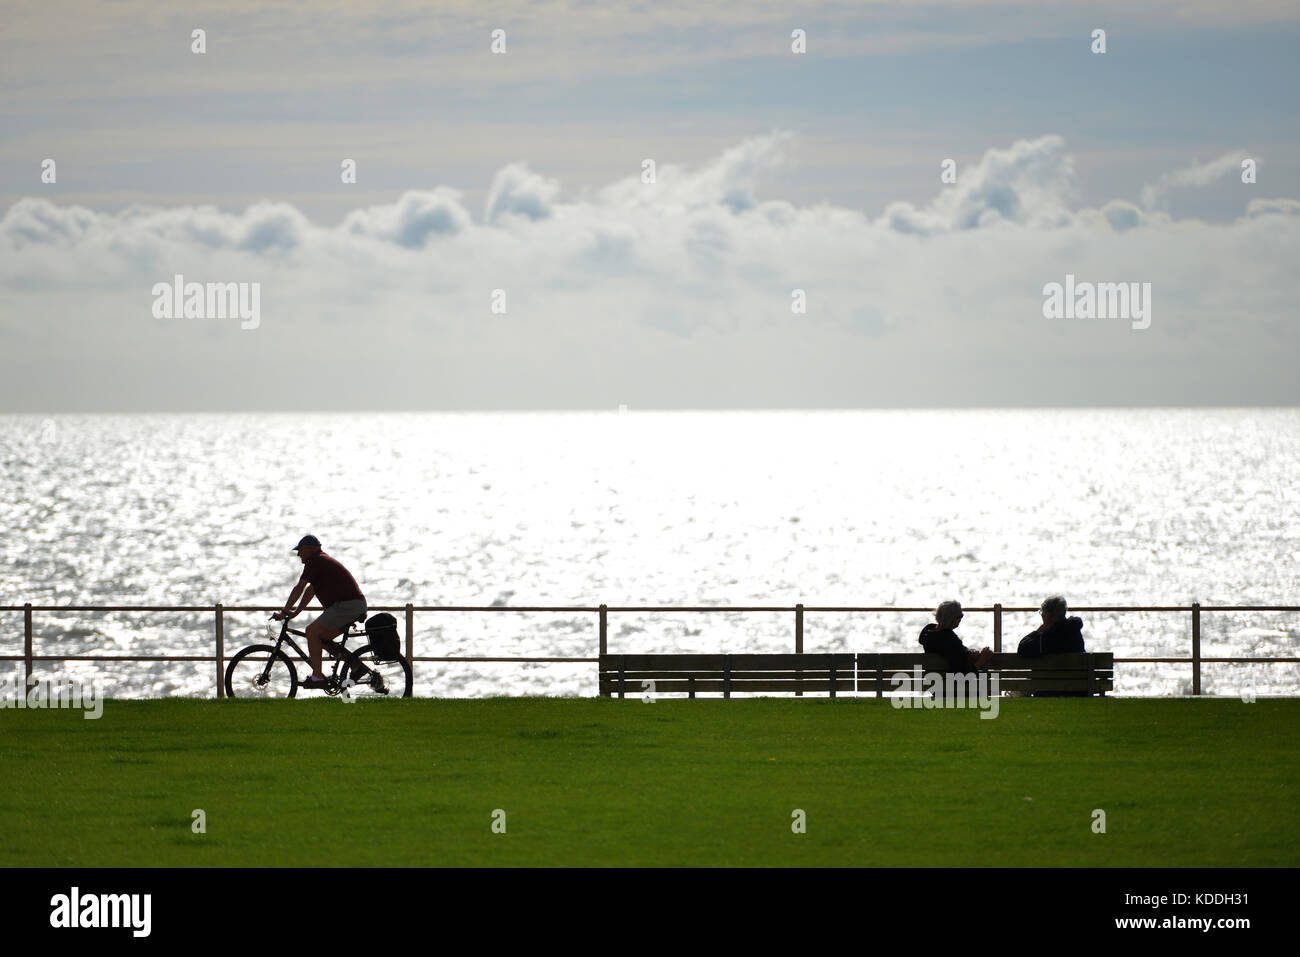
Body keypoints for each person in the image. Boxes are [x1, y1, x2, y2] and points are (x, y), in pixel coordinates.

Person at [273, 535, 367, 689]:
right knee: (321, 639)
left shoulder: (315, 560)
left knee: (311, 631)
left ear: (310, 549)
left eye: (300, 550)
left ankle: (317, 677)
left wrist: (284, 611)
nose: (298, 554)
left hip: (347, 606)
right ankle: (357, 666)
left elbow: (299, 588)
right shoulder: (321, 561)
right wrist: (294, 612)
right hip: (353, 606)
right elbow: (310, 591)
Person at [919, 600, 994, 673]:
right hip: (950, 684)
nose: (960, 619)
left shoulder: (928, 634)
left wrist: (967, 652)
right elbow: (962, 676)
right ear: (952, 619)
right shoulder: (949, 639)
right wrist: (982, 660)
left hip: (931, 681)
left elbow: (952, 653)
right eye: (960, 617)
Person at [1017, 595, 1085, 657]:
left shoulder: (1047, 638)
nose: (1041, 615)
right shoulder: (1075, 632)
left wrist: (1037, 632)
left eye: (1042, 612)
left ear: (1048, 615)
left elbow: (1022, 648)